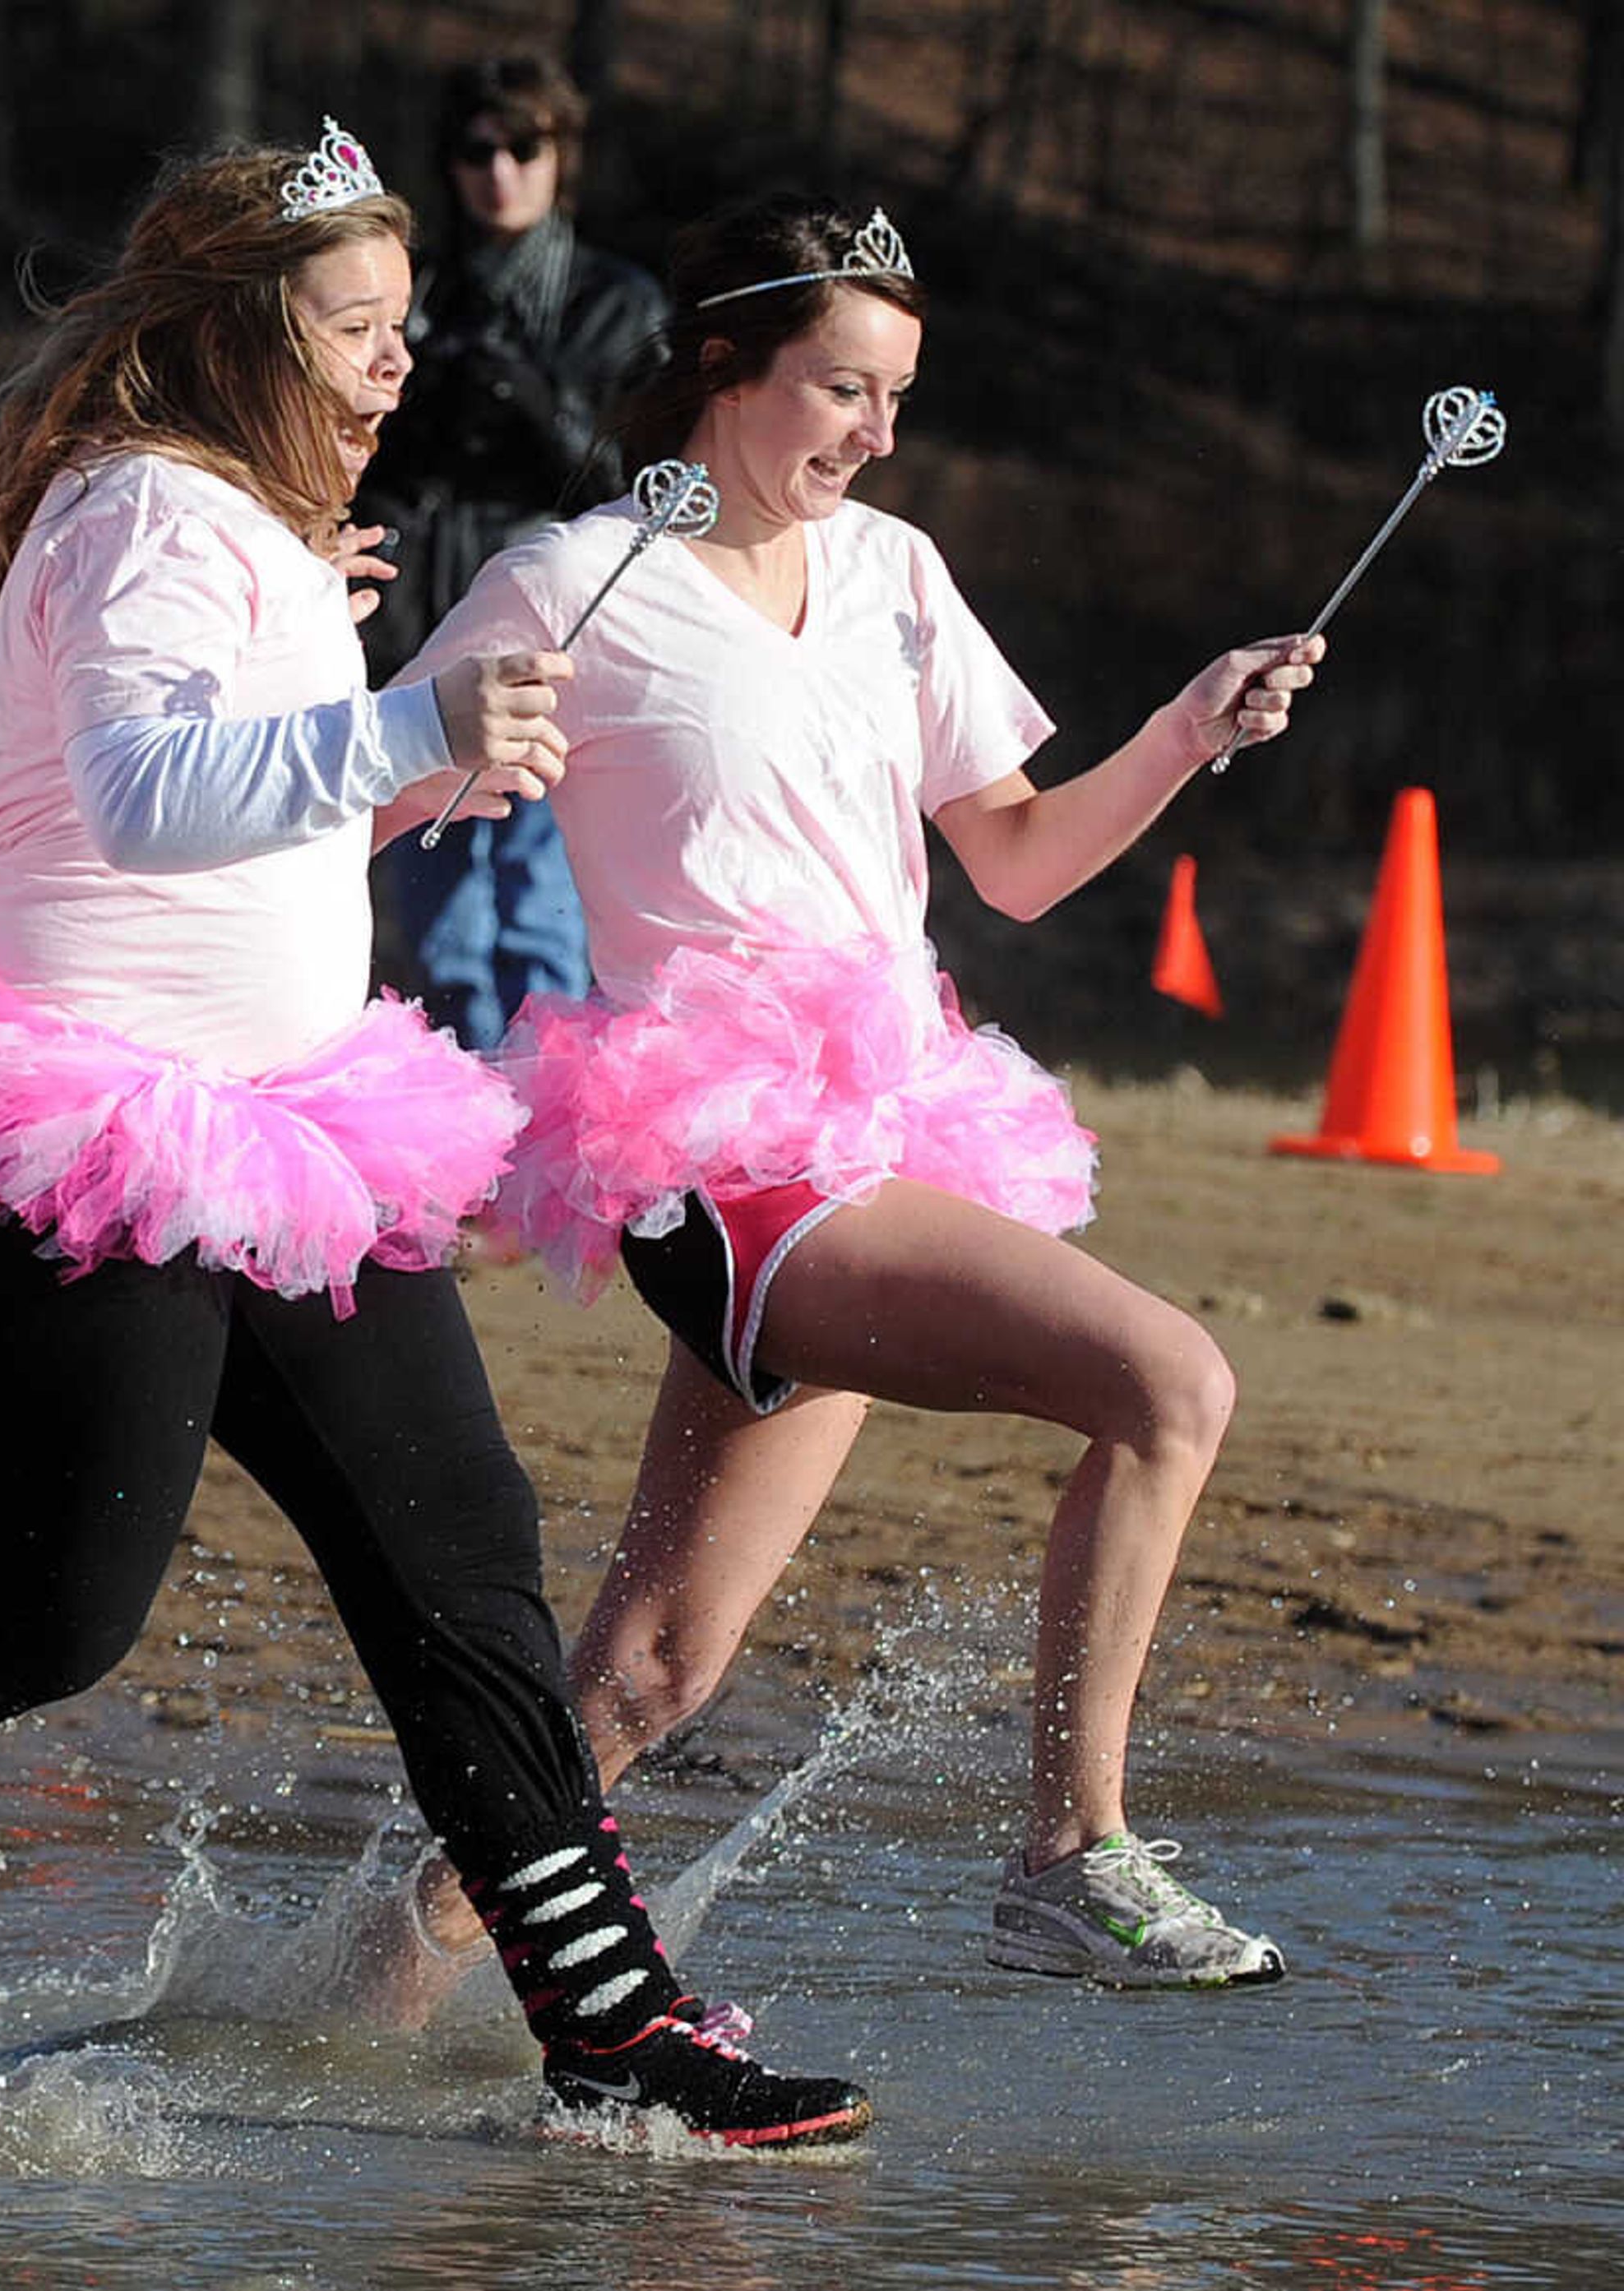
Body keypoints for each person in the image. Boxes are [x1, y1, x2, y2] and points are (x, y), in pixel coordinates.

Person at [0, 124, 873, 2149]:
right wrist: (410, 724)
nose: (394, 364)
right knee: (47, 1613)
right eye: (353, 329)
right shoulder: (143, 506)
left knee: (464, 1560)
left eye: (404, 328)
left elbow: (182, 795)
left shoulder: (226, 522)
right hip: (86, 1122)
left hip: (296, 1124)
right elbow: (142, 800)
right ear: (241, 336)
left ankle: (612, 2027)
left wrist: (407, 765)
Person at [396, 192, 1316, 1991]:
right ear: (722, 372)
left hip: (883, 1123)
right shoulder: (573, 580)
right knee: (1169, 1385)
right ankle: (1073, 1851)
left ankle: (349, 1995)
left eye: (895, 396)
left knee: (650, 1673)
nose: (877, 433)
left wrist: (1189, 730)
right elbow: (363, 795)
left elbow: (1027, 859)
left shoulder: (895, 571)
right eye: (841, 388)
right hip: (715, 1152)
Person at [356, 56, 665, 1048]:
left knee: (541, 907)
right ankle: (466, 1136)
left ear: (560, 156)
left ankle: (545, 1128)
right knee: (438, 913)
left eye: (523, 147)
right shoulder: (416, 289)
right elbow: (360, 459)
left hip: (559, 624)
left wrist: (536, 404)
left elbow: (644, 480)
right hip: (419, 621)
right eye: (475, 150)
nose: (499, 173)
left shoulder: (615, 302)